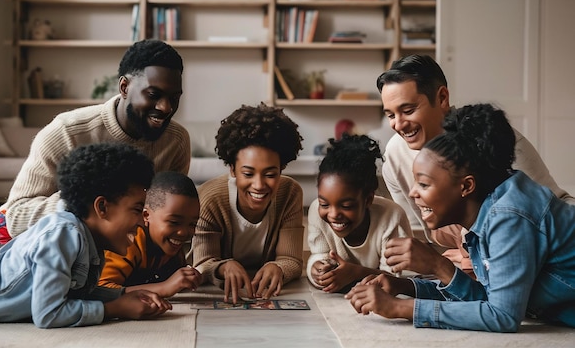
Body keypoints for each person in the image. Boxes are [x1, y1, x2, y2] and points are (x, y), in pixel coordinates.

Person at [0, 81, 172, 328]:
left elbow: (72, 292)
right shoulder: (64, 234)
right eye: (136, 209)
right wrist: (114, 308)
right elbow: (48, 313)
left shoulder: (90, 241)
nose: (143, 221)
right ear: (102, 207)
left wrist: (123, 295)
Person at [345, 103, 575, 332]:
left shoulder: (510, 216)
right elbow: (488, 298)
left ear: (466, 186)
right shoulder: (489, 210)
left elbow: (502, 316)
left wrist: (400, 307)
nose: (413, 193)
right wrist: (405, 286)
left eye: (424, 184)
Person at [377, 54, 574, 273]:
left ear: (442, 98)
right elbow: (419, 239)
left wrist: (481, 259)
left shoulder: (492, 139)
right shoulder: (394, 155)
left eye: (408, 110)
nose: (399, 124)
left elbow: (547, 214)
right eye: (390, 115)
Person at [0, 39, 191, 245]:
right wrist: (92, 202)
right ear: (124, 87)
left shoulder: (176, 142)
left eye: (174, 98)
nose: (166, 108)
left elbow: (168, 214)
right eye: (153, 94)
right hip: (42, 249)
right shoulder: (66, 131)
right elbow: (16, 217)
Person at [191, 103, 304, 304]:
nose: (259, 185)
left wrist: (278, 267)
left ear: (282, 167)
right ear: (232, 169)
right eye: (248, 174)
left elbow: (292, 259)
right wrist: (222, 267)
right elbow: (202, 262)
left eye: (270, 174)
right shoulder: (210, 198)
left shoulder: (290, 193)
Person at [307, 134, 412, 293]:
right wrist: (318, 270)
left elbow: (395, 280)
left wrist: (356, 273)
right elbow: (319, 255)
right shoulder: (316, 211)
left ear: (368, 199)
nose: (333, 214)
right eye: (324, 204)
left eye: (347, 206)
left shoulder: (392, 217)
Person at [98, 171, 202, 298]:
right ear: (146, 215)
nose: (183, 232)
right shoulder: (128, 242)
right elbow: (101, 290)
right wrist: (163, 288)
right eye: (174, 222)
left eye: (192, 224)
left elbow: (172, 279)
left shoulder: (168, 246)